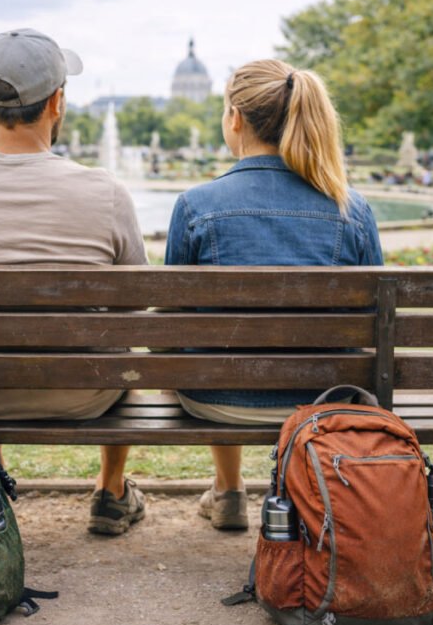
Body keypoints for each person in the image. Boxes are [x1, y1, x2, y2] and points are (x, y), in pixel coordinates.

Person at [0, 29, 149, 536]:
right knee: (120, 355)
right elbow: (139, 306)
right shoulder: (105, 190)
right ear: (58, 101)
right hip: (82, 393)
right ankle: (110, 490)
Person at [164, 59, 383, 530]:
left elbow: (169, 323)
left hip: (216, 397)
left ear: (235, 119)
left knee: (215, 350)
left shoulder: (195, 206)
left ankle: (227, 491)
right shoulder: (353, 209)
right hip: (324, 397)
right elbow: (371, 319)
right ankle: (308, 497)